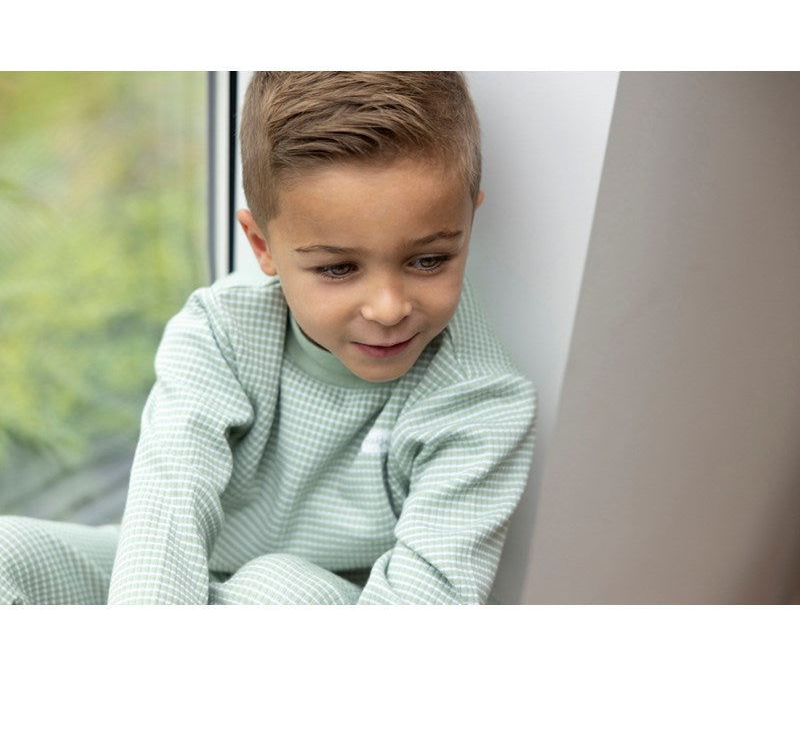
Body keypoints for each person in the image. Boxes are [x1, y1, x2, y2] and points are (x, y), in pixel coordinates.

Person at [0, 71, 538, 605]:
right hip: (186, 570)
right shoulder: (221, 332)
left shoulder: (480, 402)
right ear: (262, 246)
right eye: (338, 268)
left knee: (275, 586)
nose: (388, 308)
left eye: (429, 260)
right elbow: (167, 512)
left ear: (468, 224)